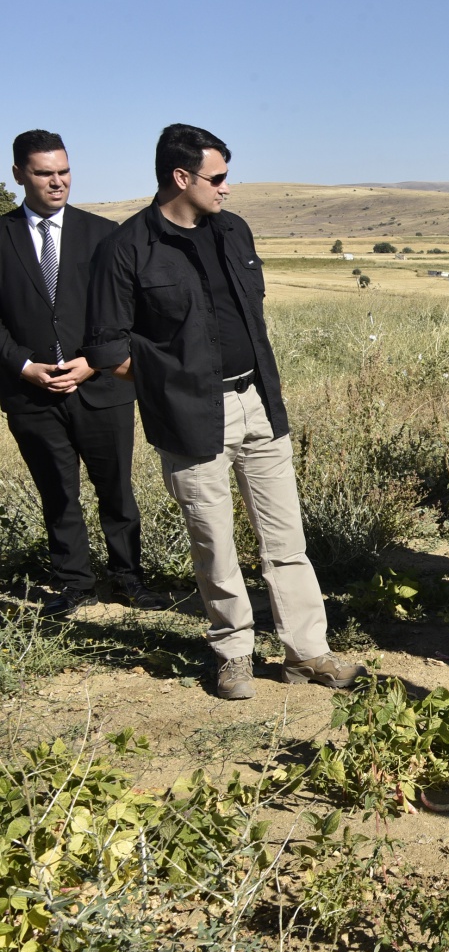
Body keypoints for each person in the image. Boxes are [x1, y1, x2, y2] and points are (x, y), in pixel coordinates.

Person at [84, 124, 356, 699]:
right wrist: (165, 384)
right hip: (188, 416)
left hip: (258, 402)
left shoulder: (234, 230)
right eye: (218, 177)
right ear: (181, 178)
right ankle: (233, 652)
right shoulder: (128, 247)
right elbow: (109, 347)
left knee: (285, 538)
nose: (227, 189)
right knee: (214, 541)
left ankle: (306, 651)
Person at [1, 131, 163, 618]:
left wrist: (95, 361)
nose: (57, 182)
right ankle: (73, 584)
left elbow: (131, 309)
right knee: (57, 493)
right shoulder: (0, 236)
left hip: (102, 387)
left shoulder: (105, 235)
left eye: (64, 171)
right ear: (17, 176)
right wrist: (24, 366)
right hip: (30, 393)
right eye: (44, 173)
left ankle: (129, 578)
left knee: (116, 490)